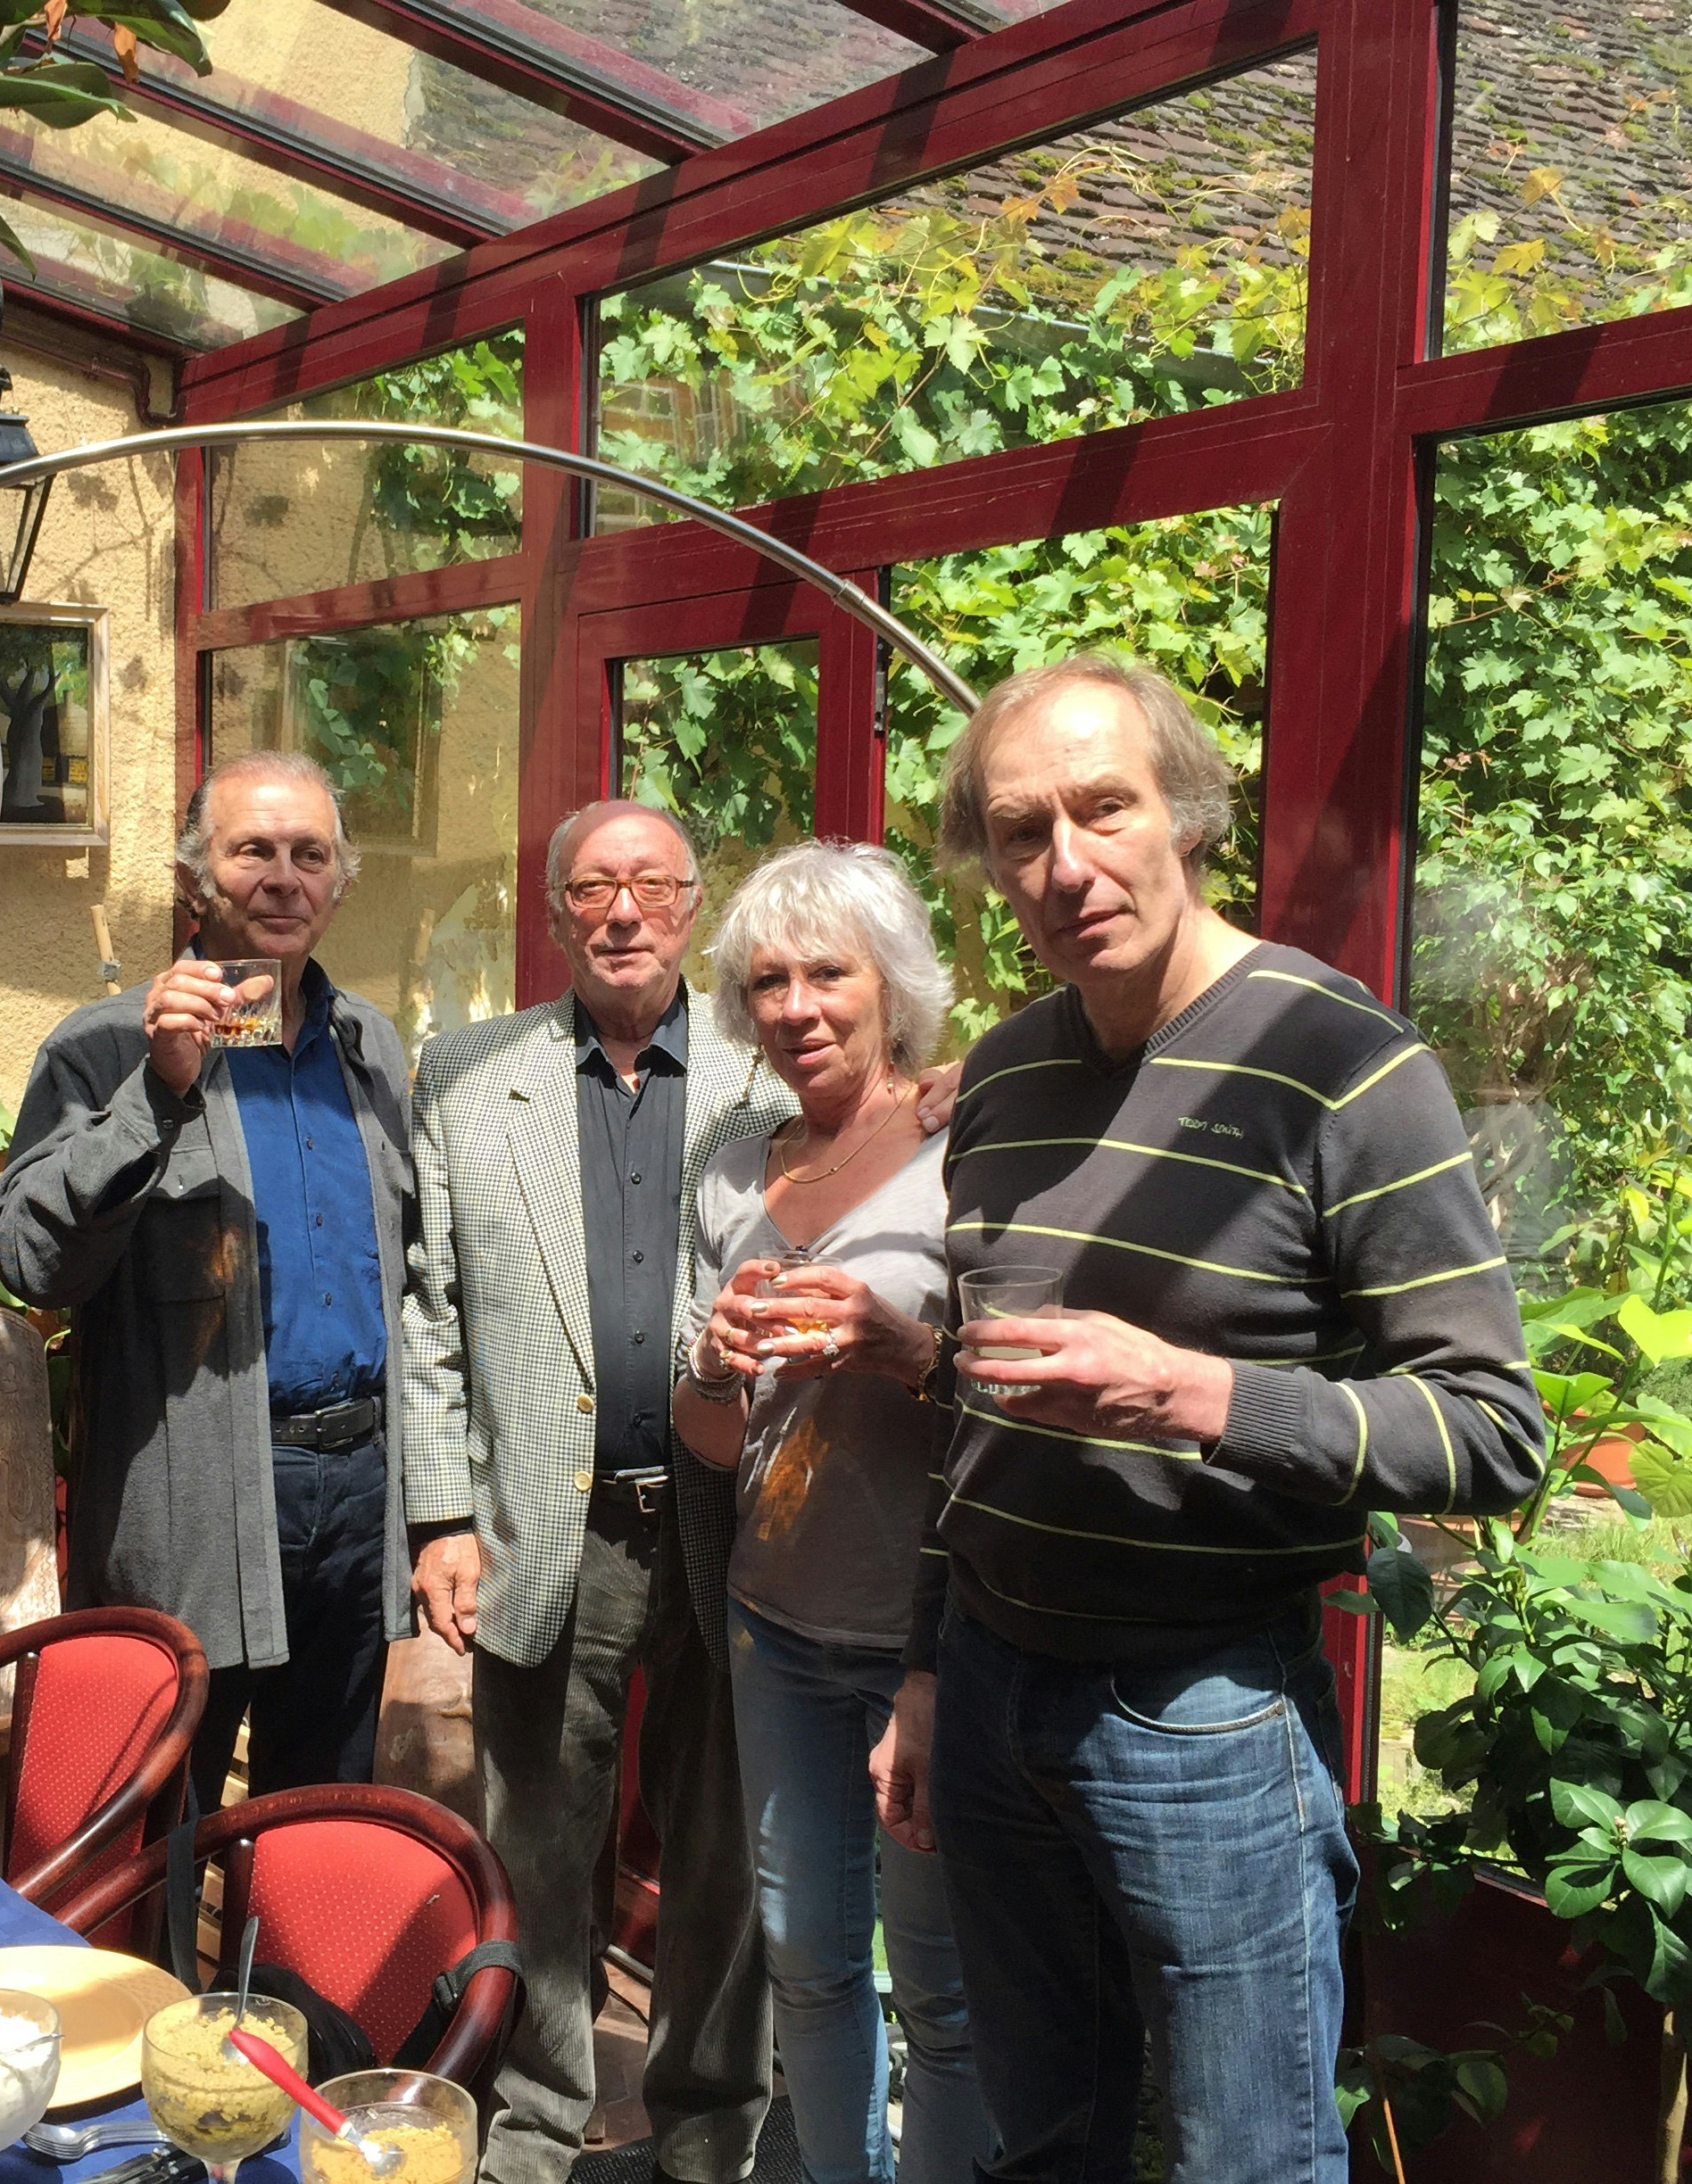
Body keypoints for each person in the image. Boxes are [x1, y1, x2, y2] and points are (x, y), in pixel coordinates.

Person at [867, 658, 1550, 2184]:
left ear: (1183, 813)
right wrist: (921, 1665)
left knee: (1251, 2157)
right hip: (987, 1684)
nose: (1065, 863)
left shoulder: (1339, 1062)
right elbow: (967, 1412)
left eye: (1101, 809)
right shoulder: (1010, 1070)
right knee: (1039, 2138)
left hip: (1199, 1715)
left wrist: (1192, 1389)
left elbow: (1490, 1431)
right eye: (1018, 830)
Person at [401, 800, 796, 2184]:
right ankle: (534, 2125)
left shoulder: (776, 1076)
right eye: (592, 888)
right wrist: (442, 1517)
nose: (622, 911)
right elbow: (431, 1314)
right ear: (558, 913)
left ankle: (707, 2131)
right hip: (541, 1529)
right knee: (540, 1848)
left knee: (720, 1856)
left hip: (730, 1534)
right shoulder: (464, 1075)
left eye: (650, 885)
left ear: (693, 903)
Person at [0, 750, 413, 1812]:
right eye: (253, 852)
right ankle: (165, 1988)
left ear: (340, 879)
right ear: (195, 878)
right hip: (198, 1492)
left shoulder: (371, 1046)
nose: (284, 878)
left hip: (359, 1489)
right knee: (158, 1822)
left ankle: (291, 1990)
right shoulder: (101, 1047)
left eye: (310, 855)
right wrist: (157, 1091)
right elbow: (31, 1263)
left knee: (321, 1809)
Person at [669, 841, 983, 2184]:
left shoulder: (973, 1145)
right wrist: (708, 1360)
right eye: (768, 982)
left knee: (943, 1991)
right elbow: (709, 1441)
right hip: (775, 1622)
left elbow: (1028, 1402)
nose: (796, 1006)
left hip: (928, 1634)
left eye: (827, 975)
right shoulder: (736, 1174)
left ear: (893, 985)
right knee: (805, 1967)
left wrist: (904, 1348)